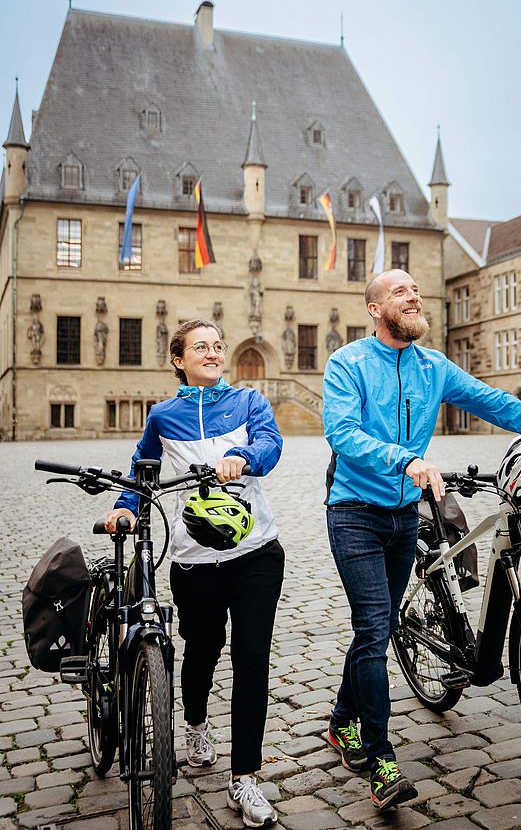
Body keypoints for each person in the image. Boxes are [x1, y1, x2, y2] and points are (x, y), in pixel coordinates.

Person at [322, 269, 521, 812]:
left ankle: (340, 722)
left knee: (372, 630)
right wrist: (407, 460)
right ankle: (381, 763)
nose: (414, 295)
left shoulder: (432, 366)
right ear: (376, 310)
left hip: (404, 516)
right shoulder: (348, 363)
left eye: (415, 289)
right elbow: (342, 433)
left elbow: (495, 403)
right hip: (354, 513)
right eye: (400, 291)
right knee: (375, 627)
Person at [105, 318, 284, 828]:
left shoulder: (249, 402)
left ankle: (245, 777)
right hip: (194, 560)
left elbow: (270, 447)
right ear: (179, 360)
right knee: (201, 649)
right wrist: (125, 508)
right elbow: (142, 471)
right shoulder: (163, 415)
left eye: (217, 346)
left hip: (256, 552)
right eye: (199, 347)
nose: (212, 352)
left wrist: (241, 457)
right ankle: (196, 723)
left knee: (252, 658)